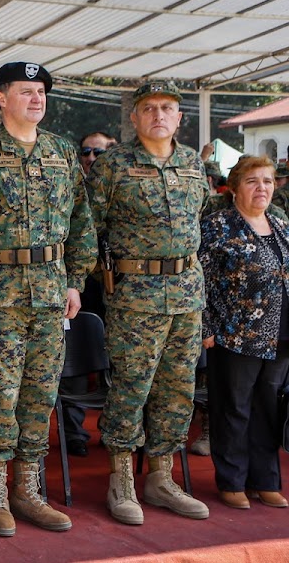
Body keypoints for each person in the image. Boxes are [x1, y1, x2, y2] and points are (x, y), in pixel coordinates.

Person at [0, 62, 96, 537]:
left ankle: (28, 492)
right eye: (25, 91)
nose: (36, 99)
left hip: (50, 295)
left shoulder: (62, 152)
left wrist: (76, 280)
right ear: (0, 98)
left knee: (40, 398)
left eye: (41, 91)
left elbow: (82, 222)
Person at [88, 81, 212, 525]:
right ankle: (120, 480)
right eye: (148, 108)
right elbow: (88, 228)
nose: (158, 115)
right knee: (131, 389)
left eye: (167, 108)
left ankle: (162, 478)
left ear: (180, 117)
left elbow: (200, 224)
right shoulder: (114, 165)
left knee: (177, 390)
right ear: (135, 117)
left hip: (186, 294)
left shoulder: (193, 165)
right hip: (135, 298)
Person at [199, 155, 289, 511]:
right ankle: (232, 480)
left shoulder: (280, 223)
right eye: (253, 181)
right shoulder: (218, 225)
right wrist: (206, 327)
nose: (262, 188)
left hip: (280, 333)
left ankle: (265, 480)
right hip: (235, 332)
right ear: (234, 187)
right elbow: (199, 280)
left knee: (269, 407)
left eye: (267, 181)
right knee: (234, 407)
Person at [62, 130, 117, 458]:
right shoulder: (70, 185)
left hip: (120, 287)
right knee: (77, 363)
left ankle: (116, 431)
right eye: (86, 152)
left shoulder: (122, 184)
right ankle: (74, 432)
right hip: (81, 286)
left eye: (99, 152)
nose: (91, 158)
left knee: (120, 366)